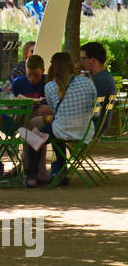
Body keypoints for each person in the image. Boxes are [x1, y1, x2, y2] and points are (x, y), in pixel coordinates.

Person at [44, 52, 97, 185]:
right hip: (86, 131)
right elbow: (95, 111)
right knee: (57, 132)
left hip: (62, 130)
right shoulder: (87, 82)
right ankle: (60, 169)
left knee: (34, 137)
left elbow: (55, 111)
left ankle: (33, 175)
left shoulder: (49, 86)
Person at [11, 54, 51, 185]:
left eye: (36, 75)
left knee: (36, 128)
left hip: (39, 119)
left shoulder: (48, 83)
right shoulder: (18, 82)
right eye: (29, 75)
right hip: (22, 117)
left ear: (43, 71)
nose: (32, 79)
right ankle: (34, 171)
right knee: (34, 128)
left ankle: (31, 171)